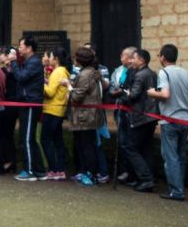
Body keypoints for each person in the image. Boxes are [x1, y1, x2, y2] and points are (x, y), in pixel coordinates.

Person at [147, 44, 188, 201]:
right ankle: (179, 187)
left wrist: (152, 92)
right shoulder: (185, 72)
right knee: (180, 155)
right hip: (186, 119)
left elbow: (165, 94)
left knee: (170, 157)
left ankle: (176, 191)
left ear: (163, 57)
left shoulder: (164, 72)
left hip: (170, 120)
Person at [120, 49, 158, 192]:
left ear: (141, 60)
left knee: (131, 147)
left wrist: (125, 94)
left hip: (141, 116)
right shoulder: (152, 73)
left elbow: (133, 96)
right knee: (146, 148)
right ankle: (148, 177)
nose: (131, 61)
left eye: (134, 58)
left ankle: (146, 179)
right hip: (151, 116)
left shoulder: (140, 75)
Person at [10, 37, 47, 181]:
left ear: (29, 48)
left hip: (31, 103)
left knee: (26, 138)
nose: (19, 49)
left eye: (21, 46)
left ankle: (29, 171)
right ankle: (39, 171)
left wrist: (13, 62)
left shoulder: (34, 62)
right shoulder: (29, 62)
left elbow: (21, 77)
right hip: (27, 102)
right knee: (30, 138)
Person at [68, 46, 103, 186]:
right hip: (90, 115)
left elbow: (77, 96)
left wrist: (69, 87)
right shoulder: (91, 72)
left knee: (87, 146)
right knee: (85, 145)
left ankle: (90, 174)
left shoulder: (84, 75)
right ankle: (86, 172)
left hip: (85, 115)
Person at [41, 47, 71, 181]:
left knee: (45, 139)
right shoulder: (64, 71)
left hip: (52, 110)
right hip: (59, 110)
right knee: (58, 141)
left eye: (51, 57)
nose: (49, 59)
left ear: (56, 59)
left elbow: (50, 92)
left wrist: (41, 83)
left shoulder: (57, 72)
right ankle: (60, 169)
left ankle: (54, 169)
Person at [109, 46, 137, 185]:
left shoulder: (136, 72)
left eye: (124, 56)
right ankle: (124, 170)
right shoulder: (118, 71)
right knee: (122, 141)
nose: (121, 58)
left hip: (131, 112)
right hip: (119, 109)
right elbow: (114, 87)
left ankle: (132, 173)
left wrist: (121, 91)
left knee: (129, 142)